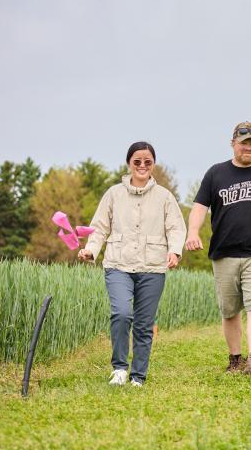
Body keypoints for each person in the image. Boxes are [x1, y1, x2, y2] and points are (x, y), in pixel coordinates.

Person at [185, 121, 251, 378]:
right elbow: (200, 206)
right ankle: (235, 359)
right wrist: (192, 232)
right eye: (243, 142)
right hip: (224, 254)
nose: (248, 147)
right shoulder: (216, 173)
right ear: (233, 143)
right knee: (230, 310)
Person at [79, 142, 186, 387]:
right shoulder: (113, 194)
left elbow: (176, 228)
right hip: (118, 264)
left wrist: (174, 252)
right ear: (129, 163)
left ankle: (138, 375)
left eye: (147, 161)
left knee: (144, 323)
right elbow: (99, 228)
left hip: (152, 268)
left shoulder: (164, 197)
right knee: (121, 313)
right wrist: (91, 250)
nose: (142, 166)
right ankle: (119, 368)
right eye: (137, 161)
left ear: (153, 165)